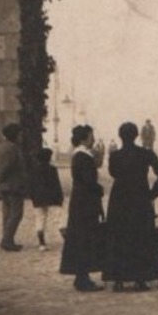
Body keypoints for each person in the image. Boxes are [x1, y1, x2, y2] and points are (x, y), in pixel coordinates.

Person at [106, 121, 158, 290]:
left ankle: (118, 280)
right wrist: (152, 194)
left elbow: (112, 173)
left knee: (118, 237)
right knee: (141, 237)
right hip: (140, 198)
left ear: (120, 136)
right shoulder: (146, 154)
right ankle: (140, 279)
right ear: (137, 136)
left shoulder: (114, 156)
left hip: (119, 199)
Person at [60, 124, 106, 293]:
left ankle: (82, 276)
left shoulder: (81, 155)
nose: (93, 139)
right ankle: (82, 279)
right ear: (83, 138)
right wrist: (99, 189)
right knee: (84, 239)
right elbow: (88, 182)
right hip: (84, 204)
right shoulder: (82, 157)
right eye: (91, 136)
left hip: (82, 202)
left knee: (81, 239)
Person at [0, 122, 28, 251]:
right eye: (19, 135)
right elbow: (8, 166)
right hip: (13, 185)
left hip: (5, 186)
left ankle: (7, 239)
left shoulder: (2, 147)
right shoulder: (13, 148)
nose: (21, 137)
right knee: (16, 214)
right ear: (14, 135)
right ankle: (7, 240)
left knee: (7, 214)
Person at [30, 146, 64, 250]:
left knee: (40, 219)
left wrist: (33, 197)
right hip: (52, 198)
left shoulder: (33, 170)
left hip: (39, 198)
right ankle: (68, 241)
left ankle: (42, 244)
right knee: (59, 219)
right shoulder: (52, 170)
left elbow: (31, 186)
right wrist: (60, 197)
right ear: (49, 158)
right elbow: (56, 184)